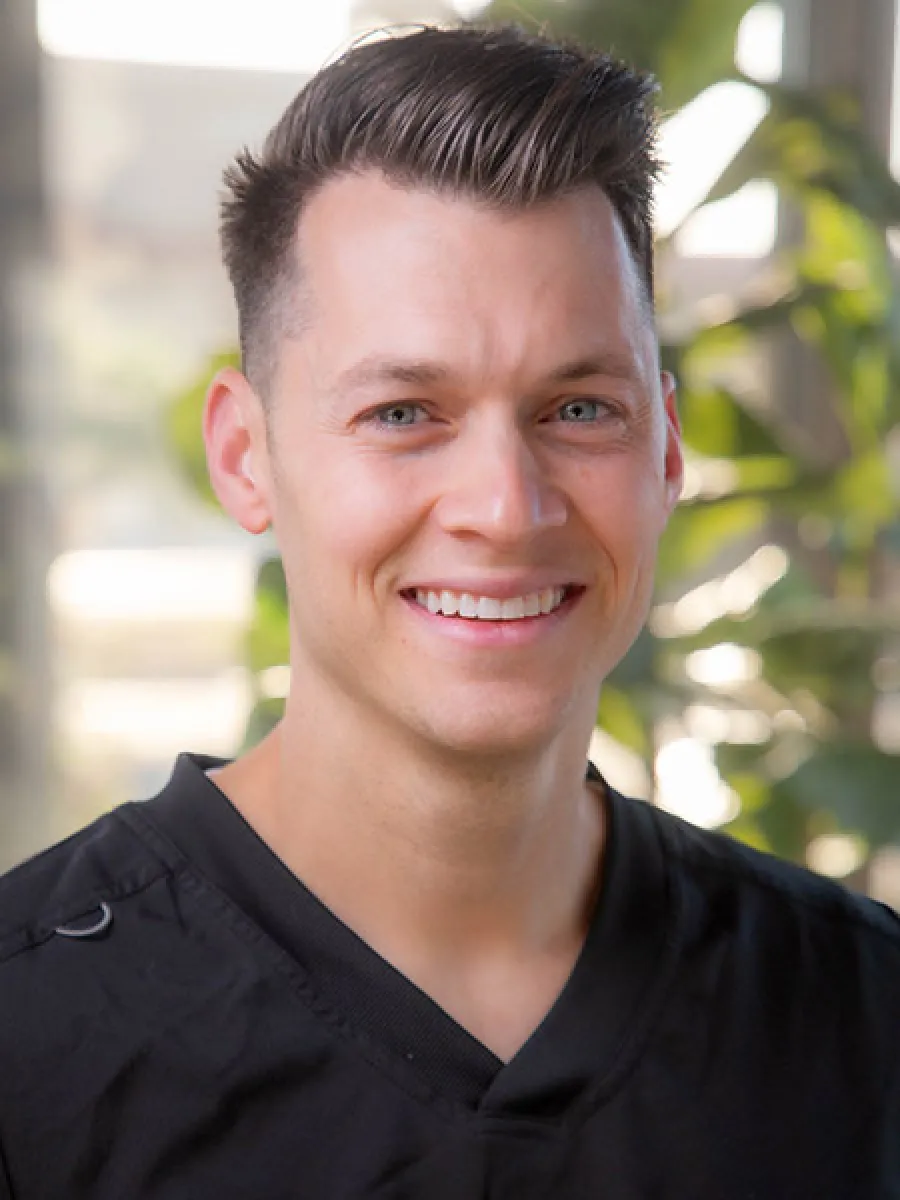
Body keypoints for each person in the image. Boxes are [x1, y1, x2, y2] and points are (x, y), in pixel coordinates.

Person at [1, 23, 898, 1199]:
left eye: (579, 410)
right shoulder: (28, 1042)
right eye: (403, 413)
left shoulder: (865, 1022)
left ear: (668, 448)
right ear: (245, 455)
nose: (505, 507)